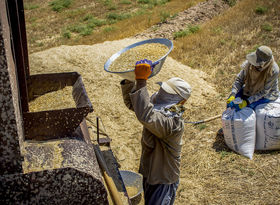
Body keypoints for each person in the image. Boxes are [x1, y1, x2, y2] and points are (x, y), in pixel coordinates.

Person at [120, 59, 191, 205]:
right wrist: (130, 78)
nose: (161, 93)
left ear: (181, 101)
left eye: (166, 92)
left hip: (163, 179)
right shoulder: (157, 102)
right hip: (149, 171)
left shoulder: (173, 122)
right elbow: (134, 104)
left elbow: (147, 115)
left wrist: (141, 81)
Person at [227, 45, 279, 110]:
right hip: (251, 89)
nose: (254, 65)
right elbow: (239, 80)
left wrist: (247, 102)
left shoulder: (273, 71)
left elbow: (264, 92)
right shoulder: (250, 63)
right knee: (231, 104)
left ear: (264, 64)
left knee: (247, 109)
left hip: (267, 95)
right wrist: (233, 94)